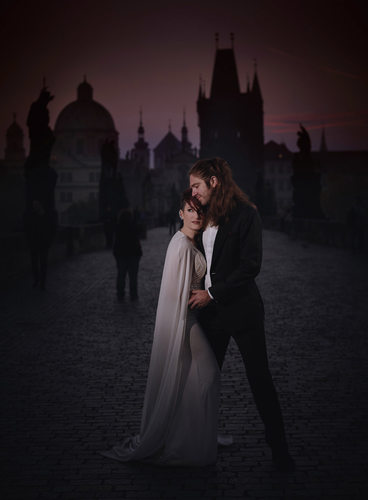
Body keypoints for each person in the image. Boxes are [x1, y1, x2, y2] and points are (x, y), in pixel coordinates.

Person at [188, 157, 295, 473]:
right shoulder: (202, 214)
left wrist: (212, 293)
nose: (192, 191)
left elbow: (251, 266)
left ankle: (280, 449)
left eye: (197, 185)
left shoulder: (247, 215)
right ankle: (198, 442)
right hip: (210, 314)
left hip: (241, 310)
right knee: (203, 380)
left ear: (215, 182)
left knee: (260, 380)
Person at [101, 189, 220, 465]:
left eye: (199, 211)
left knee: (193, 380)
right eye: (190, 211)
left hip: (191, 320)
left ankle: (189, 437)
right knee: (209, 374)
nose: (196, 215)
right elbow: (171, 297)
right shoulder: (181, 245)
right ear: (180, 214)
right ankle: (188, 442)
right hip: (186, 322)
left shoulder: (187, 242)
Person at [113, 208, 142, 301]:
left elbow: (116, 243)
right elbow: (137, 239)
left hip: (121, 254)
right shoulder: (133, 226)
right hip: (133, 254)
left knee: (121, 275)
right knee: (133, 276)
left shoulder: (118, 227)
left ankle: (120, 294)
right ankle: (133, 295)